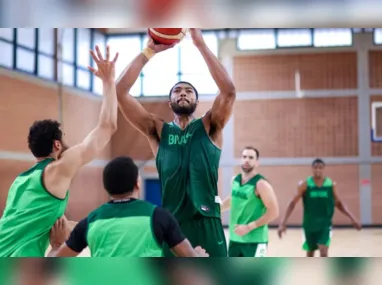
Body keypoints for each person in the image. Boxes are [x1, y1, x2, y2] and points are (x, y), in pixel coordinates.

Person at [116, 28, 236, 257]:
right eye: (177, 91)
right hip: (172, 227)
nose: (183, 93)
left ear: (197, 101)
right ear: (170, 103)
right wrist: (148, 52)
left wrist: (200, 44)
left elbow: (228, 91)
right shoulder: (157, 130)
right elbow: (120, 92)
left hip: (208, 222)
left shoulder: (211, 126)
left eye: (189, 91)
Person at [0, 45, 119, 257]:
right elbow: (107, 126)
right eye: (63, 140)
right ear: (56, 145)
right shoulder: (57, 169)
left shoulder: (20, 182)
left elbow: (54, 225)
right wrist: (109, 82)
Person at [48, 156, 209, 257]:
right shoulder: (158, 216)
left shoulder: (90, 221)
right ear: (137, 184)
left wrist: (55, 245)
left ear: (107, 188)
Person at [277, 158, 362, 257]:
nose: (318, 170)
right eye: (315, 167)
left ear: (323, 169)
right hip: (309, 225)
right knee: (310, 253)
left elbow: (339, 203)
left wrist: (352, 218)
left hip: (325, 224)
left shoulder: (330, 184)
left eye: (320, 168)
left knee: (323, 250)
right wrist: (283, 222)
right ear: (312, 169)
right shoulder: (305, 184)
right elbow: (292, 203)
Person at [221, 146, 279, 257]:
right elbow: (233, 199)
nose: (247, 160)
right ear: (240, 160)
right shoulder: (235, 180)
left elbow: (274, 212)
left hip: (255, 241)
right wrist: (217, 208)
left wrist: (249, 227)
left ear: (257, 162)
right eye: (244, 157)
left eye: (251, 157)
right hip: (235, 239)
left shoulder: (261, 184)